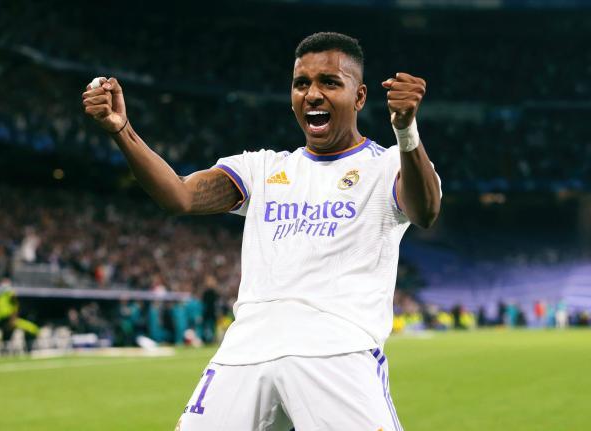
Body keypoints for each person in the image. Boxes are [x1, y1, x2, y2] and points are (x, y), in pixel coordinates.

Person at [82, 32, 441, 431]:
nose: (312, 94)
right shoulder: (263, 169)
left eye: (329, 82)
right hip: (245, 353)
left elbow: (425, 210)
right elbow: (179, 196)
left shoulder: (388, 164)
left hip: (337, 352)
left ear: (359, 97)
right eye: (301, 84)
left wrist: (406, 132)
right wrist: (122, 129)